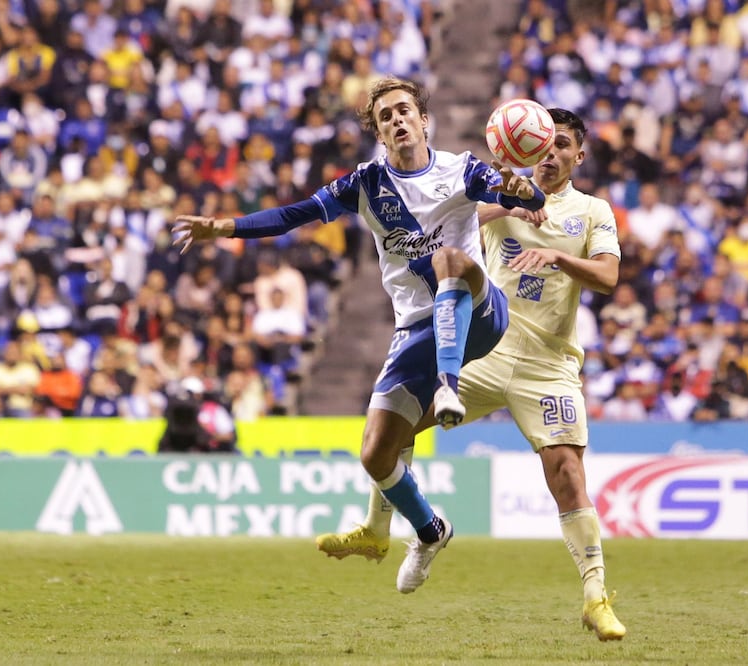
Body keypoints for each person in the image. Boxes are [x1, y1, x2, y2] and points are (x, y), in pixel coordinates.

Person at [172, 76, 544, 593]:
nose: (397, 119)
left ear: (423, 120)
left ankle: (448, 386)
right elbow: (292, 215)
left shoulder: (462, 169)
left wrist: (524, 190)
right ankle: (430, 531)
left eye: (404, 110)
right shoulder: (365, 184)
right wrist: (224, 227)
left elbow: (520, 193)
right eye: (386, 116)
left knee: (450, 259)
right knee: (375, 455)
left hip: (480, 312)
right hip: (416, 328)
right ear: (379, 133)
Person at [316, 109, 626, 641]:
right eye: (544, 144)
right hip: (485, 348)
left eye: (562, 145)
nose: (551, 154)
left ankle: (596, 597)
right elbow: (449, 219)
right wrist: (510, 199)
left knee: (567, 473)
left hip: (548, 364)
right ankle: (381, 530)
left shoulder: (593, 211)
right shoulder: (500, 191)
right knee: (396, 427)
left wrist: (556, 256)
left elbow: (608, 276)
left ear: (579, 155)